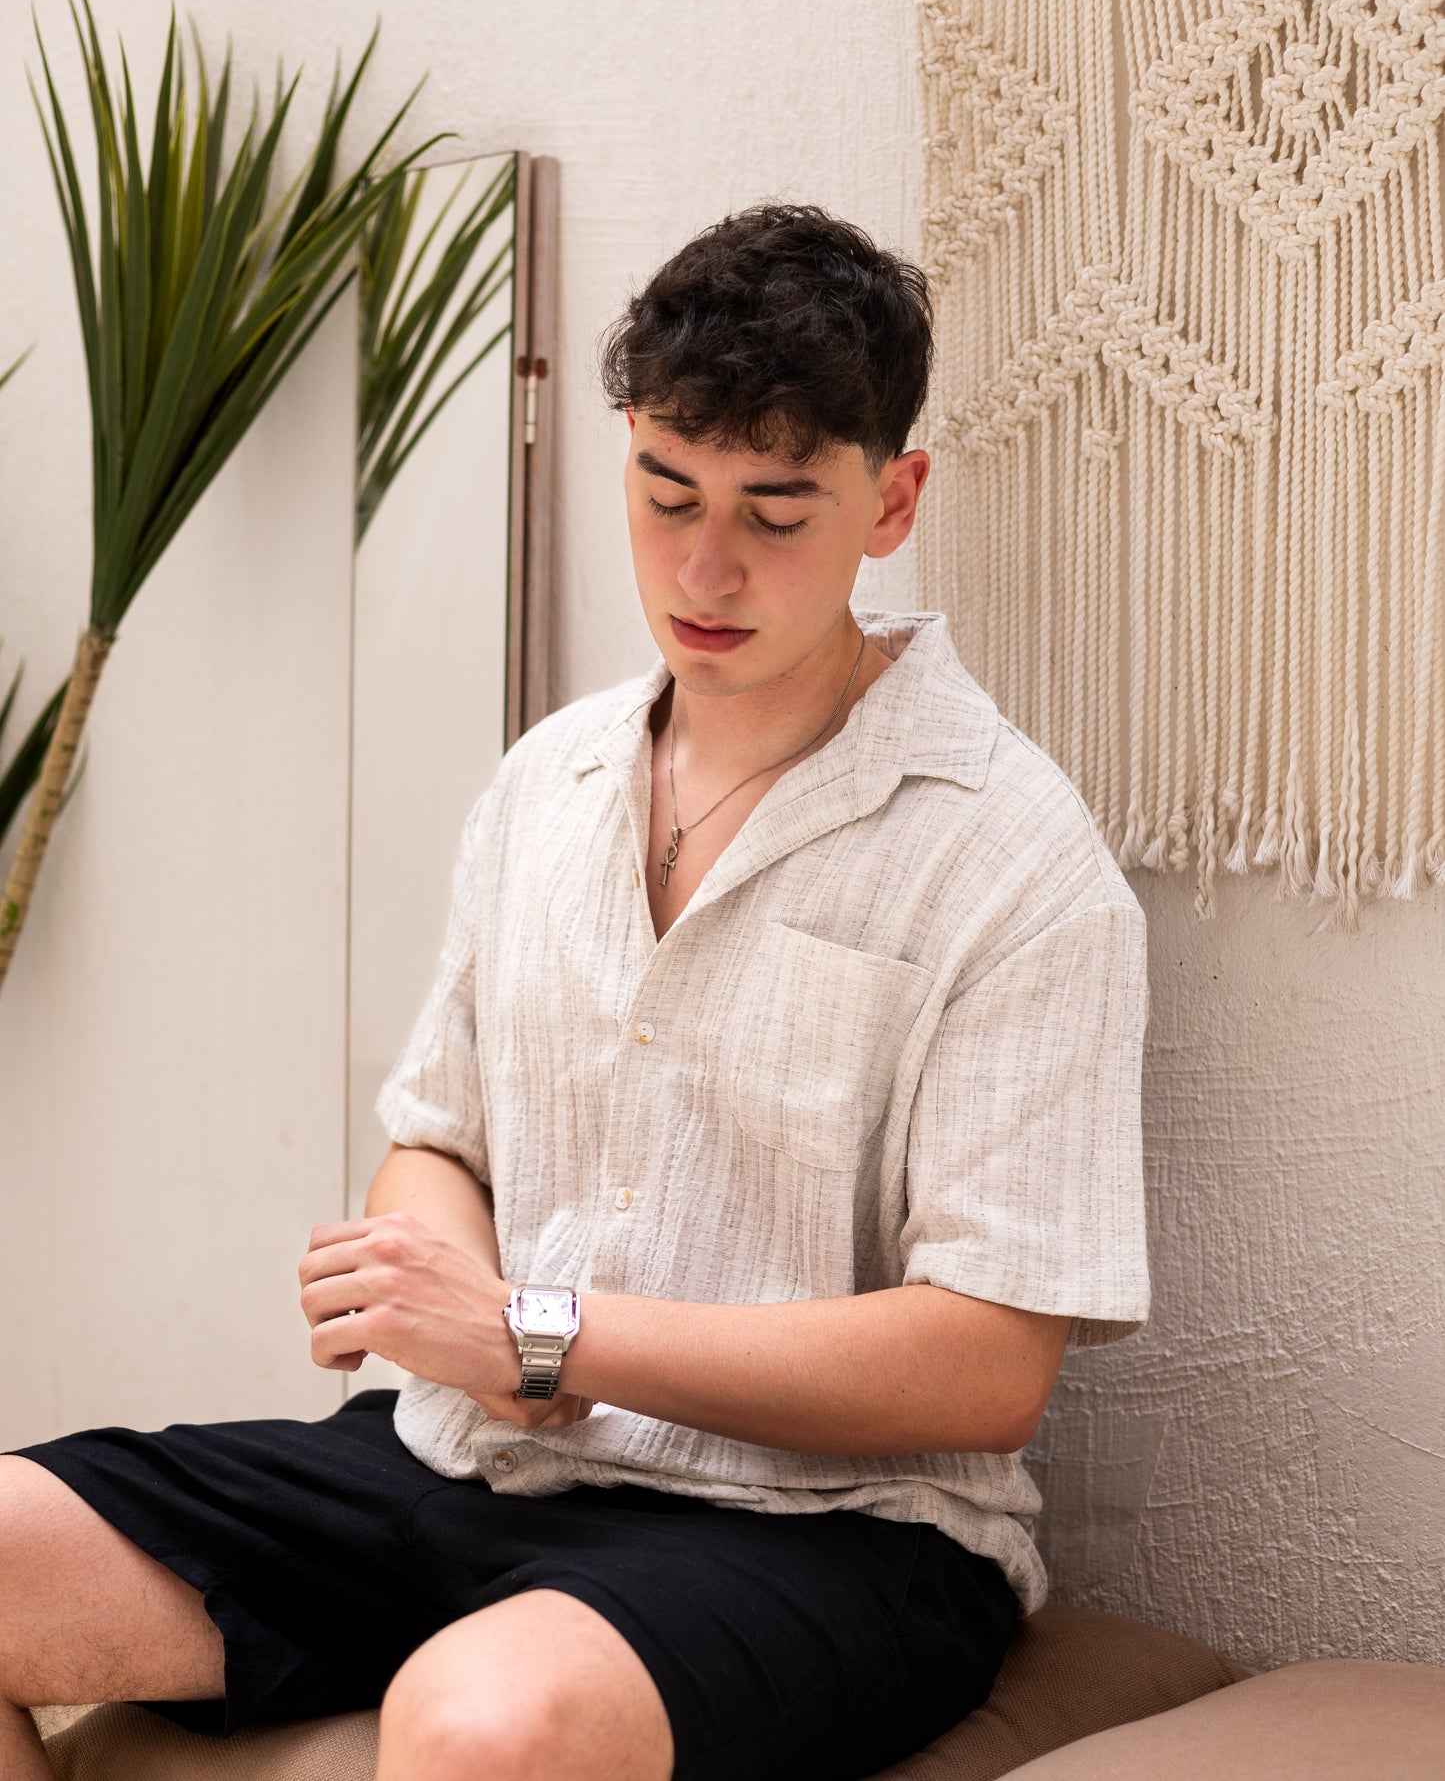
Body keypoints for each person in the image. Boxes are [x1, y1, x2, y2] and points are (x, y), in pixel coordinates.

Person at [0, 202, 1150, 1781]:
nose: (704, 565)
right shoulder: (548, 781)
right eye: (666, 492)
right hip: (461, 1460)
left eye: (774, 511)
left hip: (829, 1528)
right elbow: (436, 1138)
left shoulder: (1011, 855)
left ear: (891, 502)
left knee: (484, 1723)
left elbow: (986, 1365)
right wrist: (463, 1316)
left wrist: (540, 1332)